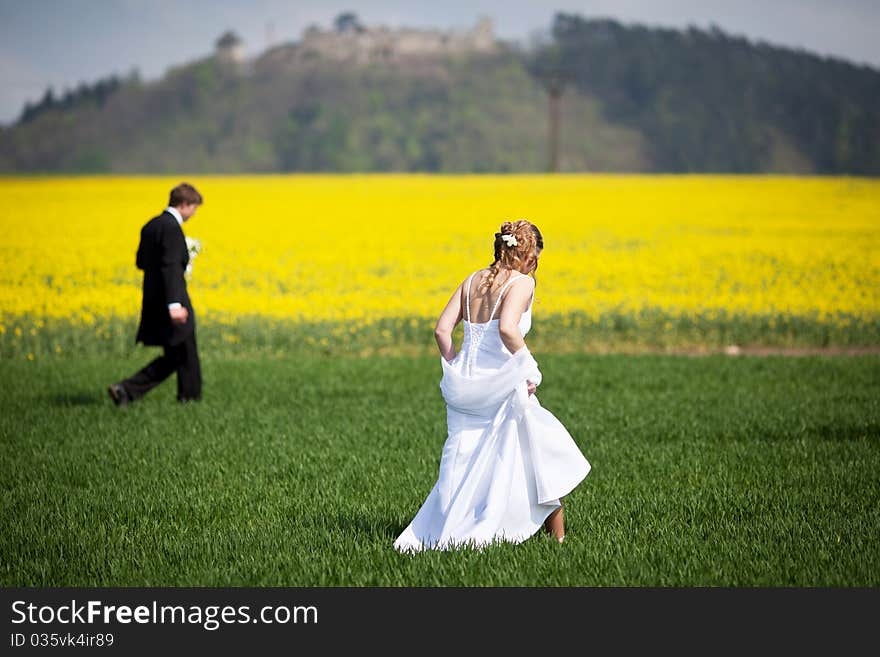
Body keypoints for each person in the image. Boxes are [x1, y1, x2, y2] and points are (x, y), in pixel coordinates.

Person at [394, 220, 591, 552]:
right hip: (502, 384)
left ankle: (447, 527)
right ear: (526, 253)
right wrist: (530, 369)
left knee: (463, 459)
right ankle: (555, 539)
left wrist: (456, 364)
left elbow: (442, 331)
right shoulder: (521, 284)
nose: (536, 265)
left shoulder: (471, 280)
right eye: (536, 257)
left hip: (465, 387)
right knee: (535, 454)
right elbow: (508, 331)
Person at [107, 183, 203, 406]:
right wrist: (174, 305)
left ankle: (125, 391)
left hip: (153, 299)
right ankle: (189, 400)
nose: (194, 213)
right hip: (172, 300)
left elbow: (142, 262)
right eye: (194, 207)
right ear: (184, 204)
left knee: (176, 355)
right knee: (186, 349)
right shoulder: (171, 228)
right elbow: (169, 267)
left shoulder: (151, 225)